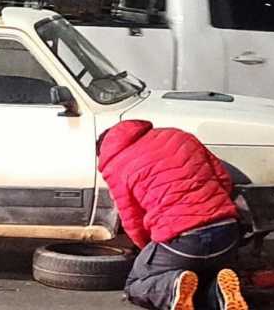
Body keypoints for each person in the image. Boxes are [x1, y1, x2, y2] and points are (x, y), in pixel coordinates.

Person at [97, 120, 248, 310]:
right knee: (203, 276)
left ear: (103, 150)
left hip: (182, 241)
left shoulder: (114, 164)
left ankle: (172, 287)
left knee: (135, 285)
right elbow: (223, 179)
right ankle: (218, 293)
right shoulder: (179, 136)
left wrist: (148, 249)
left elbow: (132, 220)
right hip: (227, 232)